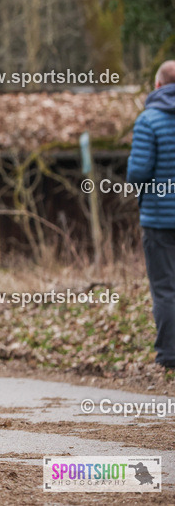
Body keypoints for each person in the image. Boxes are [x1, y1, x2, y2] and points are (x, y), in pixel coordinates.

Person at [128, 60, 175, 369]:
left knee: (165, 288)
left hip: (160, 220)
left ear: (157, 86)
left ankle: (170, 356)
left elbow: (138, 172)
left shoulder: (149, 120)